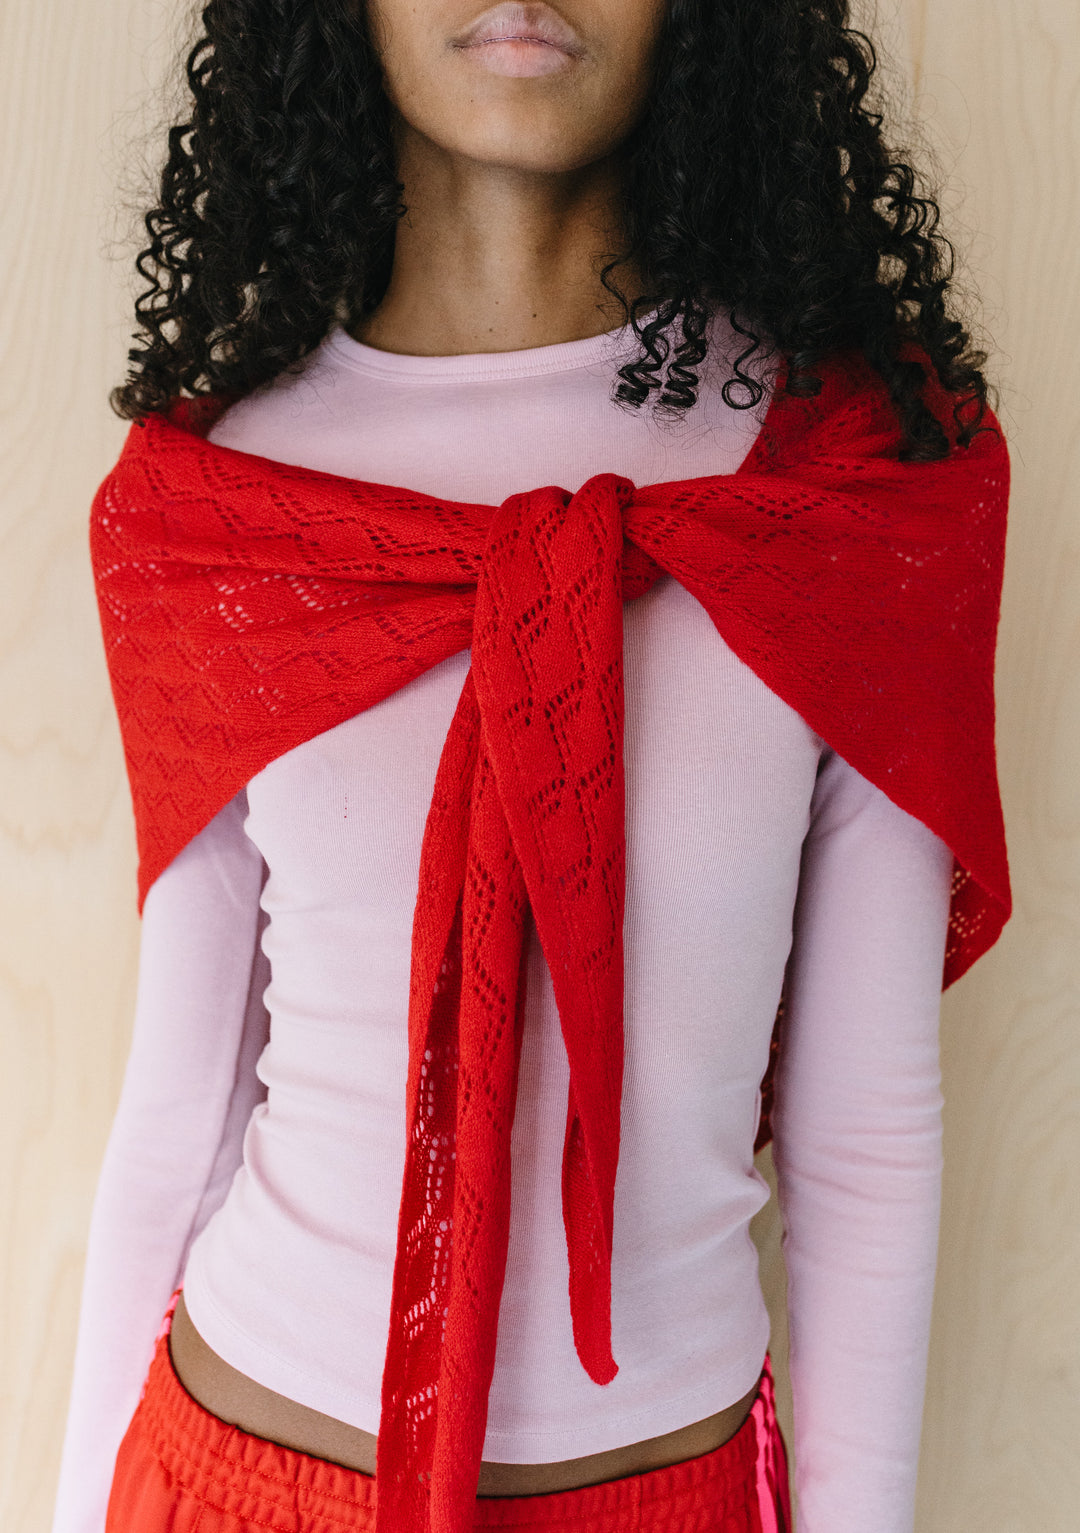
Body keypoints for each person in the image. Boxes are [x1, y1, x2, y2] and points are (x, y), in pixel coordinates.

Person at [51, 3, 1011, 1532]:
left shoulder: (855, 484)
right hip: (244, 1479)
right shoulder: (218, 504)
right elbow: (180, 1117)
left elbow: (865, 1140)